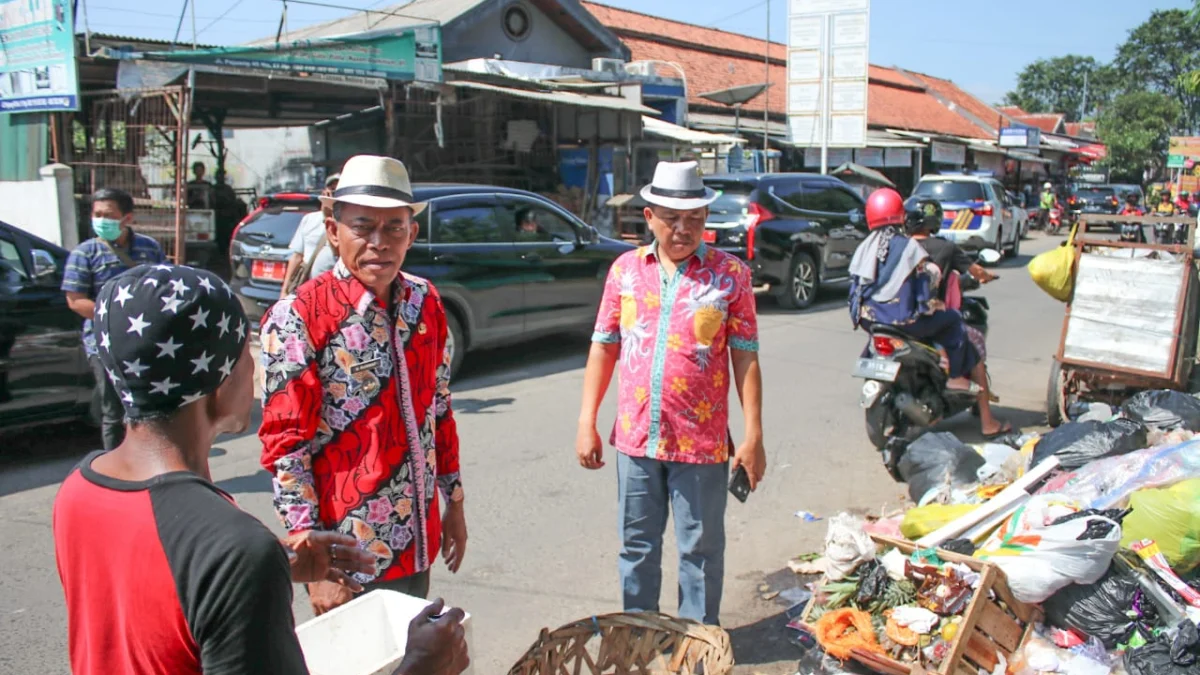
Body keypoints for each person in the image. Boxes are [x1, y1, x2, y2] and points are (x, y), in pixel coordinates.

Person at [53, 263, 470, 675]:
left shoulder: (78, 492)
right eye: (246, 353)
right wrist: (422, 665)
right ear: (220, 384)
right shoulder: (235, 550)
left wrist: (277, 564)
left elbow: (160, 591)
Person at [260, 155, 467, 616]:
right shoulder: (298, 317)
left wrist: (453, 501)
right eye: (363, 226)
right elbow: (286, 449)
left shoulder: (426, 302)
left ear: (412, 234)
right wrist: (314, 562)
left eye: (394, 227)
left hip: (417, 541)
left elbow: (438, 410)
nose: (379, 242)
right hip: (346, 558)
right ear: (334, 231)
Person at [576, 160, 765, 625]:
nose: (683, 230)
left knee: (700, 551)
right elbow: (604, 347)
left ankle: (697, 645)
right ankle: (640, 638)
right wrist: (587, 422)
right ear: (649, 217)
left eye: (695, 220)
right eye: (671, 218)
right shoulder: (625, 271)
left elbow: (745, 356)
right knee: (636, 547)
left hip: (700, 443)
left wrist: (753, 435)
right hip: (636, 440)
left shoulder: (730, 275)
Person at [849, 188, 1011, 437]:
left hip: (871, 321)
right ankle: (956, 377)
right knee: (954, 321)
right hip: (905, 321)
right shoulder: (910, 248)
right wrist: (930, 304)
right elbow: (924, 286)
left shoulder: (866, 247)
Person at [62, 188, 167, 450]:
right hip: (104, 343)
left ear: (127, 218)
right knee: (112, 412)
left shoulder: (149, 248)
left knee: (147, 410)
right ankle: (114, 470)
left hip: (145, 342)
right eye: (97, 214)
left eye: (108, 215)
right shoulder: (84, 253)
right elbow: (75, 300)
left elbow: (164, 287)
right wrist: (117, 318)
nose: (101, 220)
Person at [901, 197, 1008, 438]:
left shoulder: (900, 246)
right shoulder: (945, 248)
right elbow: (975, 271)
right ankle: (987, 422)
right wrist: (987, 276)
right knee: (976, 346)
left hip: (897, 318)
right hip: (930, 319)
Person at [280, 173, 341, 298]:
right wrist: (284, 291)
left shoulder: (349, 224)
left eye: (338, 190)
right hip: (308, 292)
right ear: (325, 192)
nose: (334, 194)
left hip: (337, 292)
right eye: (332, 190)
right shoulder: (309, 220)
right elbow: (297, 256)